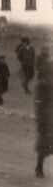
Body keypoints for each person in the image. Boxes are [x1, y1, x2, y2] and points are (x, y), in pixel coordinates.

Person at [35, 47, 53, 177]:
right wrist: (41, 121)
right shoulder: (43, 85)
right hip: (47, 118)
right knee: (45, 144)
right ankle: (39, 167)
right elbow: (39, 104)